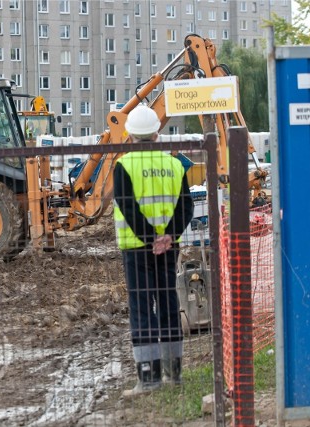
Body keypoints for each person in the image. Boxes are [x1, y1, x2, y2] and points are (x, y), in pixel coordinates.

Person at [113, 105, 194, 397]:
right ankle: (175, 374)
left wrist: (150, 239)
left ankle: (148, 378)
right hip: (168, 248)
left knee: (142, 308)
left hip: (137, 248)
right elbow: (187, 205)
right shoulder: (174, 164)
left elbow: (127, 206)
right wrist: (168, 236)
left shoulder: (124, 165)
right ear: (157, 134)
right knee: (168, 304)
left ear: (130, 135)